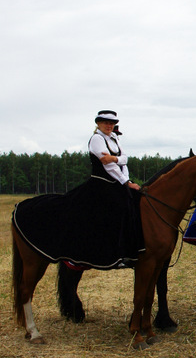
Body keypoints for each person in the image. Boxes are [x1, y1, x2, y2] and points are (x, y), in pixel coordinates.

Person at [12, 109, 145, 268]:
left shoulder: (114, 138)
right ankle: (109, 253)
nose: (109, 126)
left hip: (116, 182)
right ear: (98, 124)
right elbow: (108, 165)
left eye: (111, 123)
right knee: (112, 208)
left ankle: (132, 250)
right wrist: (125, 180)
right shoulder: (97, 139)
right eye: (106, 123)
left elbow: (124, 160)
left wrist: (123, 173)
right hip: (100, 183)